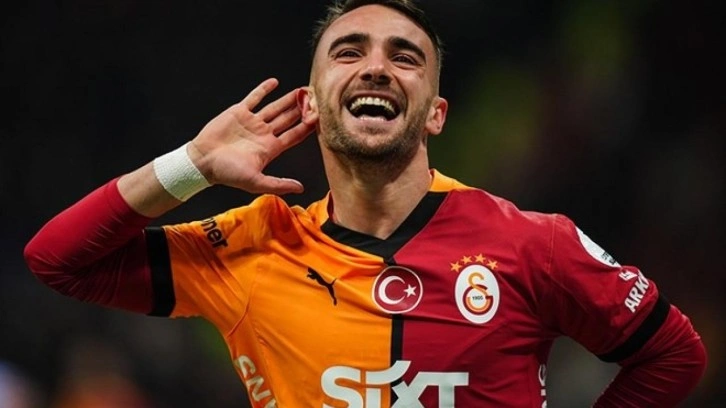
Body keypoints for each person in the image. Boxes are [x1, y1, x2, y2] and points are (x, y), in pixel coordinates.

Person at [24, 0, 707, 407]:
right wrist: (193, 166)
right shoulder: (254, 244)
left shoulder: (534, 243)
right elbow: (58, 260)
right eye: (348, 52)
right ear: (312, 103)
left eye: (405, 57)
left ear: (436, 113)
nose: (376, 66)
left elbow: (674, 355)